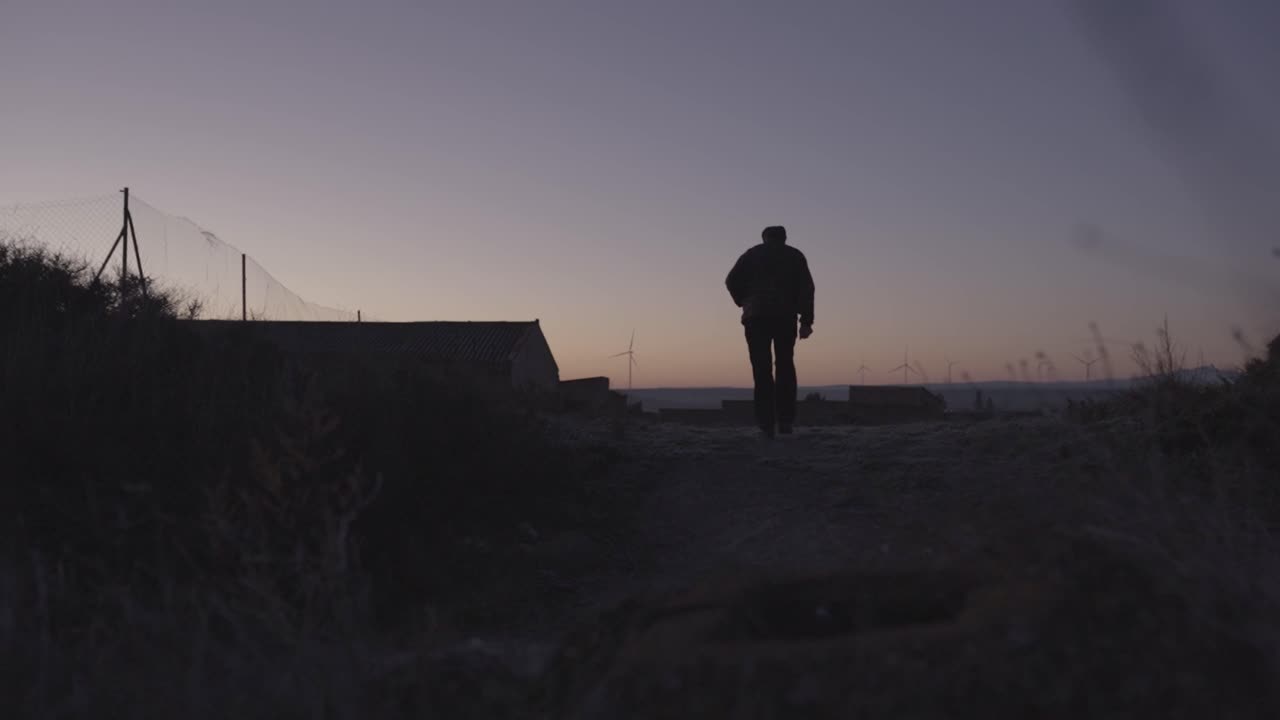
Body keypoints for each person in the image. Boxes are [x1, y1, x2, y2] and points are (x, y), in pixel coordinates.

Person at [725, 225, 816, 438]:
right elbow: (807, 289)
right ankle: (785, 422)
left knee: (761, 369)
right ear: (784, 238)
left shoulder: (751, 254)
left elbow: (731, 280)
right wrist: (806, 321)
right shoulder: (795, 256)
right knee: (785, 365)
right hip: (785, 317)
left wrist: (744, 301)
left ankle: (766, 424)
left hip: (755, 317)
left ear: (764, 238)